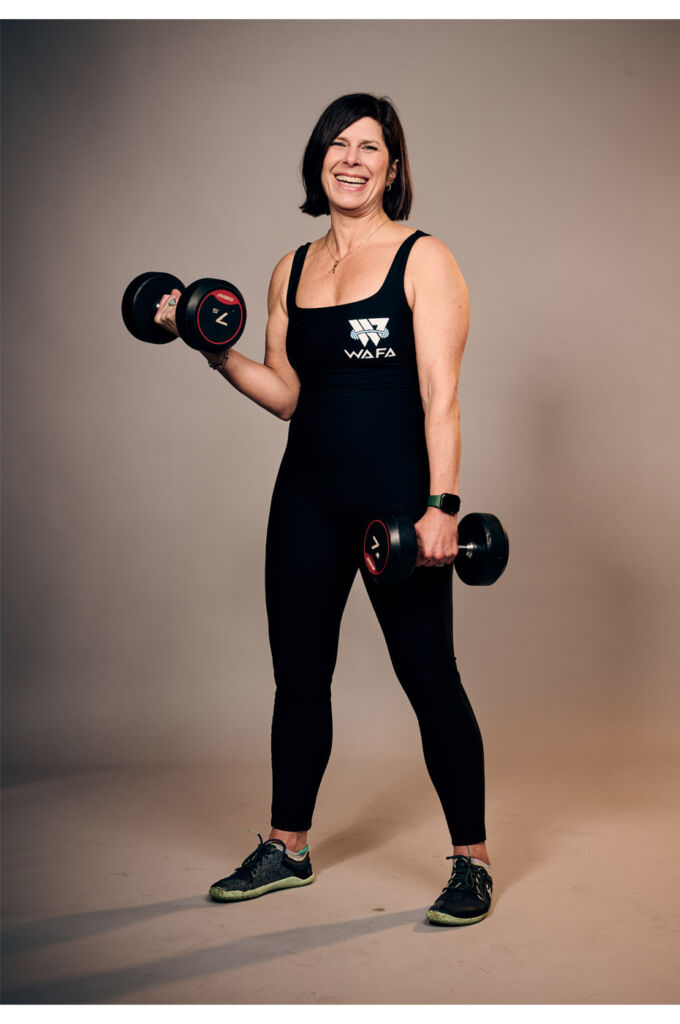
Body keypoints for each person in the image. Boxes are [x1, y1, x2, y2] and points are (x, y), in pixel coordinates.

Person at [154, 93, 493, 926]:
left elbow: (440, 400)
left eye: (368, 147)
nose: (350, 159)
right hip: (304, 498)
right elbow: (285, 396)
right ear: (318, 160)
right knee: (298, 678)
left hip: (396, 509)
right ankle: (287, 846)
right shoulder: (289, 268)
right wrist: (209, 345)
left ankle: (471, 862)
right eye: (336, 144)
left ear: (392, 166)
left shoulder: (424, 260)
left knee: (429, 679)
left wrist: (440, 509)